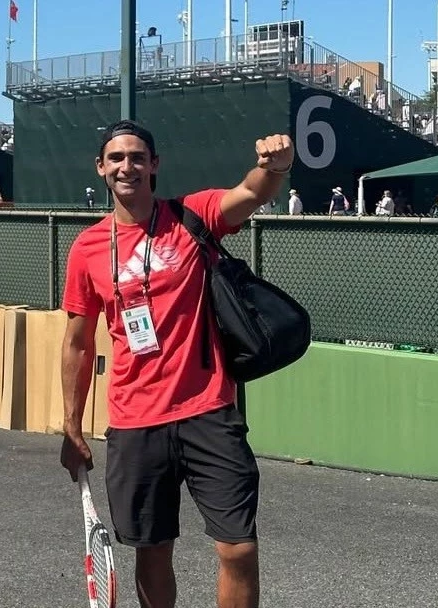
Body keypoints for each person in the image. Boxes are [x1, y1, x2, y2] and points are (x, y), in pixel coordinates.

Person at [59, 119, 295, 608]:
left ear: (155, 165)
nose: (128, 166)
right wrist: (71, 426)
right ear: (102, 169)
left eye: (138, 157)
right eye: (117, 158)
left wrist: (274, 168)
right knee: (152, 551)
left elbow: (250, 194)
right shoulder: (86, 249)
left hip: (208, 410)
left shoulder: (191, 216)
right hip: (134, 420)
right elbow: (78, 344)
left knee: (239, 548)